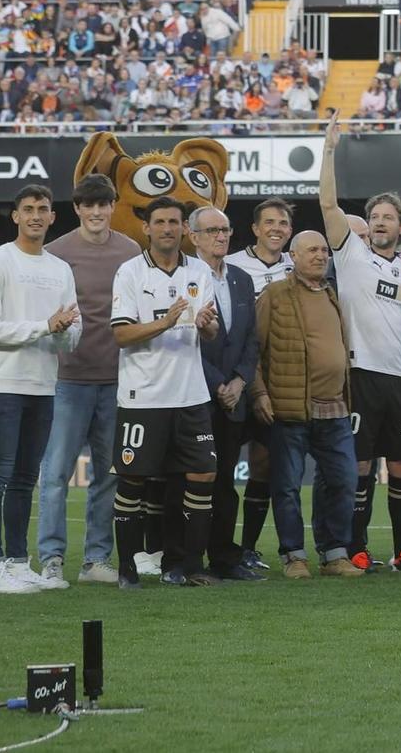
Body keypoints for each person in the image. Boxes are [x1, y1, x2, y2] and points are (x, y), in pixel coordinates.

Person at [318, 116, 401, 572]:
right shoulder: (351, 253)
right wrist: (328, 151)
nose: (380, 222)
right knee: (360, 469)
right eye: (374, 216)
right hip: (360, 376)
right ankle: (358, 547)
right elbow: (327, 204)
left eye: (388, 218)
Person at [109, 196, 222, 587]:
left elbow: (210, 331)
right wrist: (166, 321)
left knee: (203, 473)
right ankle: (127, 568)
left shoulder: (199, 271)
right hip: (144, 397)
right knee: (134, 480)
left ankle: (189, 566)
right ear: (147, 227)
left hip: (190, 396)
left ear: (184, 229)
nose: (168, 229)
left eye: (174, 222)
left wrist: (205, 324)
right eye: (160, 222)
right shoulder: (130, 272)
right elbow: (121, 334)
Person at [0, 185, 82, 596]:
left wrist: (59, 332)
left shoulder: (60, 269)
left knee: (25, 479)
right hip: (1, 382)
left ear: (53, 217)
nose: (37, 216)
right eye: (29, 209)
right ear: (16, 216)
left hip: (44, 385)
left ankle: (19, 562)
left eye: (43, 209)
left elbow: (73, 333)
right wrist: (45, 326)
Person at [37, 174, 135, 587]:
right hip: (68, 380)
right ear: (77, 208)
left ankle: (96, 559)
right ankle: (52, 558)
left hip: (117, 380)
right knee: (56, 473)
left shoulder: (131, 251)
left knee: (109, 476)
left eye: (103, 204)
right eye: (88, 205)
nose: (96, 212)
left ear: (113, 206)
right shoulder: (56, 253)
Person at [253, 231, 362, 579]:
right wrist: (259, 393)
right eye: (312, 249)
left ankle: (334, 553)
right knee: (286, 485)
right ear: (293, 256)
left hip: (335, 408)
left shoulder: (331, 293)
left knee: (344, 480)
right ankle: (294, 555)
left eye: (324, 250)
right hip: (290, 408)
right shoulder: (274, 295)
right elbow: (254, 349)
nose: (320, 255)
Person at [189, 206, 264, 581]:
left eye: (225, 229)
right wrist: (217, 383)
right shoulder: (185, 277)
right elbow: (186, 341)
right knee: (192, 481)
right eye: (213, 230)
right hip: (196, 396)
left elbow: (251, 339)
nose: (221, 236)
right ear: (194, 237)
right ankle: (187, 558)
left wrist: (239, 381)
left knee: (224, 483)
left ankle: (223, 558)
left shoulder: (241, 278)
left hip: (233, 397)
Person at [225, 197, 294, 571]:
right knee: (219, 468)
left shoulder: (295, 265)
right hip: (237, 378)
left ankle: (248, 547)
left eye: (283, 223)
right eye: (269, 222)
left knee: (264, 466)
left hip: (278, 380)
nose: (276, 228)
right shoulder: (232, 264)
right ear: (254, 228)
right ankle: (217, 545)